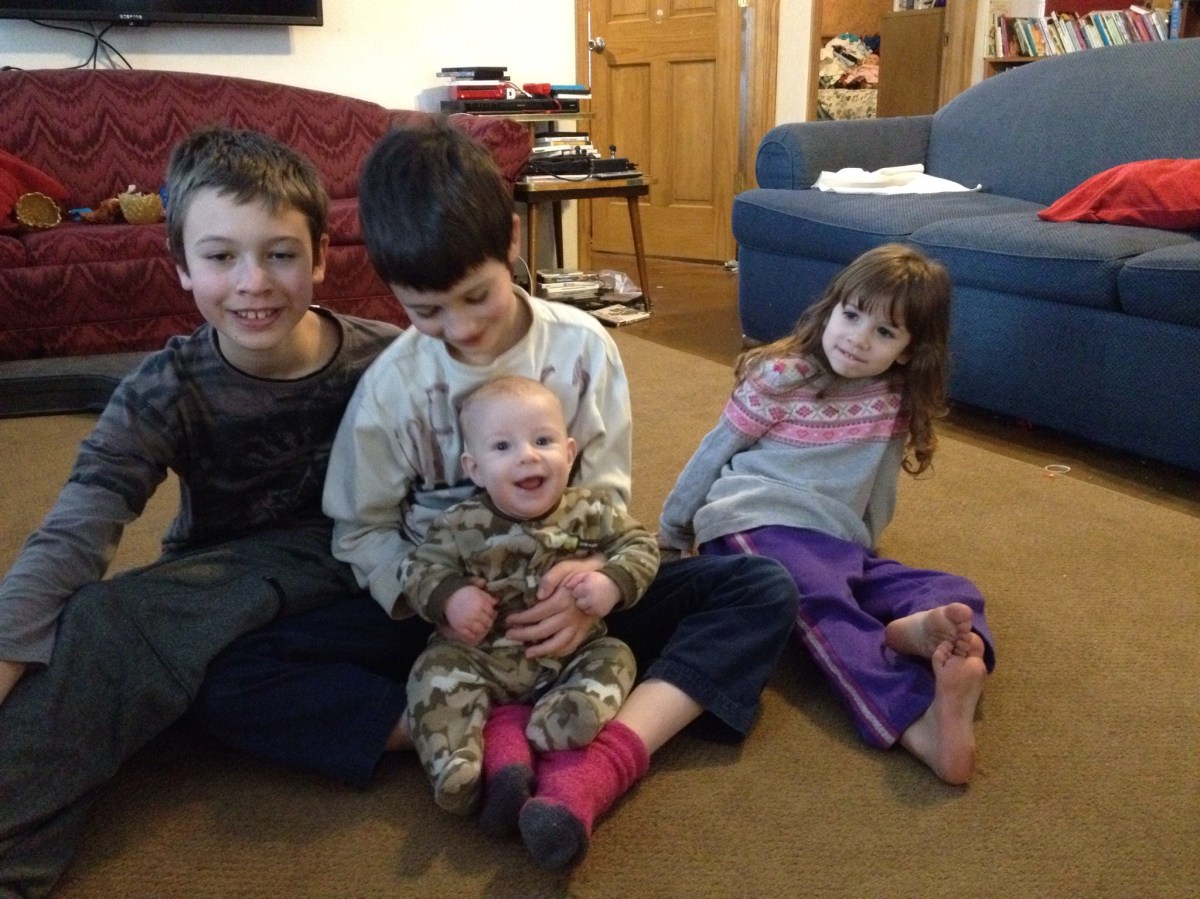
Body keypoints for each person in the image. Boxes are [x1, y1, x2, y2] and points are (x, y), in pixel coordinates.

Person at [194, 120, 799, 872]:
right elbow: (360, 530)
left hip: (578, 608)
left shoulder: (583, 348)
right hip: (446, 623)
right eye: (427, 311)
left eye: (476, 296)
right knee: (228, 674)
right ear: (393, 291)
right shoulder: (392, 385)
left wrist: (596, 588)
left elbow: (607, 501)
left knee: (762, 589)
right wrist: (440, 600)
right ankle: (483, 724)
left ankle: (604, 755)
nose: (462, 328)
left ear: (510, 238)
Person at [0, 126, 403, 896]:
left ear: (320, 256)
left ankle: (463, 706)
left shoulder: (393, 363)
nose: (253, 282)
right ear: (182, 265)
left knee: (128, 636)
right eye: (221, 257)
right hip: (226, 593)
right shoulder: (163, 387)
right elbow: (76, 528)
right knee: (136, 645)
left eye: (280, 254)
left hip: (369, 582)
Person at [659, 243, 996, 786]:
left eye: (884, 332)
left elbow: (878, 490)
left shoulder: (895, 397)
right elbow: (714, 451)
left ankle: (929, 636)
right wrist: (673, 530)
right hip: (754, 523)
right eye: (852, 315)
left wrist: (863, 557)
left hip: (834, 541)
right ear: (832, 307)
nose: (858, 338)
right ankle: (916, 720)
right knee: (824, 604)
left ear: (909, 351)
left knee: (953, 590)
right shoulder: (780, 376)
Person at [402, 375, 659, 830]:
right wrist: (451, 597)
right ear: (475, 468)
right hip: (480, 656)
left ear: (570, 453)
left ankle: (564, 717)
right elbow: (419, 568)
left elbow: (640, 544)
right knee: (432, 672)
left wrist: (610, 581)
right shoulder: (458, 524)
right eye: (503, 447)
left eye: (543, 440)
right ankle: (455, 761)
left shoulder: (592, 510)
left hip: (571, 655)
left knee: (617, 657)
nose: (528, 455)